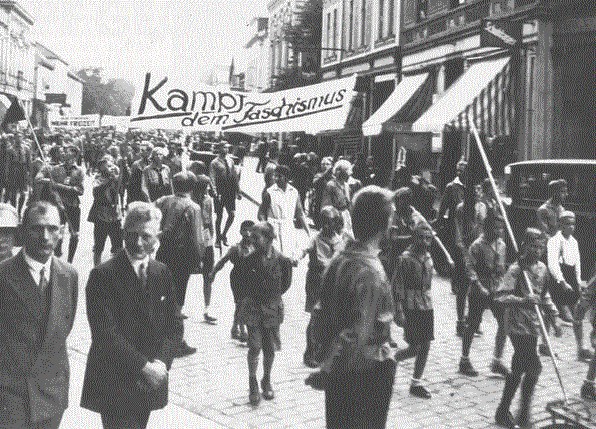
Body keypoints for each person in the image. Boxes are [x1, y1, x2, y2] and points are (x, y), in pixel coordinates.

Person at [81, 202, 182, 429]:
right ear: (123, 233)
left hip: (149, 382)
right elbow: (105, 334)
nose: (137, 242)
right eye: (131, 235)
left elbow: (174, 324)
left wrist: (161, 363)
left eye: (145, 236)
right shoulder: (103, 275)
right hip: (115, 382)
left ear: (158, 237)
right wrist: (146, 368)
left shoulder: (161, 272)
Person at [316, 186, 396, 428]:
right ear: (383, 225)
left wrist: (325, 363)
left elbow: (320, 314)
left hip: (342, 370)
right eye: (390, 217)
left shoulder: (341, 259)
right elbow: (357, 332)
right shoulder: (369, 271)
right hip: (365, 371)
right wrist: (329, 369)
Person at [0, 200, 78, 429]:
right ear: (23, 232)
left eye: (53, 228)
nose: (45, 236)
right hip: (11, 397)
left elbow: (63, 327)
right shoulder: (3, 275)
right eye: (37, 228)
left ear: (61, 232)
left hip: (51, 394)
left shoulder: (69, 274)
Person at [494, 228, 562, 429]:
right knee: (533, 366)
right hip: (516, 323)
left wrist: (555, 316)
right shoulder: (516, 270)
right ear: (524, 246)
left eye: (541, 246)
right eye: (533, 246)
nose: (537, 250)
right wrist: (523, 299)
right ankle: (520, 412)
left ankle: (508, 411)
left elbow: (544, 295)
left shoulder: (542, 268)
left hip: (533, 324)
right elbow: (499, 296)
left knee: (519, 367)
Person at [239, 221, 293, 406]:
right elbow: (242, 283)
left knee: (269, 348)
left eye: (257, 237)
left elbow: (285, 284)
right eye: (251, 237)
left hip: (272, 309)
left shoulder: (283, 261)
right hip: (254, 308)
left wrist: (272, 298)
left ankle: (266, 379)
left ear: (270, 239)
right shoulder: (248, 260)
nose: (252, 240)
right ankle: (252, 381)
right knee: (254, 346)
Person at [155, 171, 205, 355]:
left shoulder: (162, 201)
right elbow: (197, 237)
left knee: (161, 294)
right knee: (177, 299)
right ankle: (176, 341)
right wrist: (198, 259)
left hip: (162, 252)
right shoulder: (193, 207)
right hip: (181, 256)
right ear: (192, 187)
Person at [295, 206, 349, 368]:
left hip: (333, 283)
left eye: (330, 222)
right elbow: (303, 249)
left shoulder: (341, 240)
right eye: (324, 222)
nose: (326, 226)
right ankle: (309, 351)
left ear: (336, 223)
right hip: (316, 281)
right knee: (315, 316)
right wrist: (296, 257)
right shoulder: (315, 239)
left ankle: (326, 350)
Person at [458, 212, 509, 377]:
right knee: (472, 324)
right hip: (480, 289)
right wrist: (478, 285)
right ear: (487, 227)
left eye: (501, 228)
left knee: (504, 323)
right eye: (495, 227)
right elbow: (469, 268)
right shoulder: (477, 245)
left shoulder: (502, 245)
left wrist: (504, 285)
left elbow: (502, 269)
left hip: (497, 290)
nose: (499, 231)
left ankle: (497, 361)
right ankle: (464, 360)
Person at [393, 222, 436, 399]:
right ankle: (392, 360)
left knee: (426, 344)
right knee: (415, 347)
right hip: (411, 306)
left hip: (426, 304)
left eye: (428, 238)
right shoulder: (405, 259)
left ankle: (416, 382)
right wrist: (398, 309)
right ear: (414, 237)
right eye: (421, 237)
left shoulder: (427, 257)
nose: (425, 242)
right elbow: (397, 285)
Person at [209, 220, 255, 342]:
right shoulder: (235, 248)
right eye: (245, 230)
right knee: (240, 303)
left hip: (250, 279)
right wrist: (213, 273)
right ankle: (242, 330)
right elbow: (222, 261)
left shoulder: (255, 247)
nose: (248, 233)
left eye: (251, 230)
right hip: (237, 278)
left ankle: (235, 328)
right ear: (240, 231)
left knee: (243, 304)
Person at [258, 165, 310, 259]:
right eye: (275, 176)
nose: (276, 179)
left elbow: (300, 213)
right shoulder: (269, 192)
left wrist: (308, 231)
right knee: (273, 257)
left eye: (279, 176)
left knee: (288, 257)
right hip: (273, 228)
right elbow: (261, 213)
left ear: (286, 178)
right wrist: (265, 226)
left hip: (288, 227)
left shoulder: (294, 192)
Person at [44, 145, 84, 263]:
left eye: (70, 155)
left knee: (74, 235)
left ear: (74, 157)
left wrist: (61, 187)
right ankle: (56, 259)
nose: (66, 156)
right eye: (65, 154)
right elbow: (51, 188)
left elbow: (80, 190)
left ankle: (70, 261)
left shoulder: (79, 171)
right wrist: (57, 200)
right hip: (58, 206)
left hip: (73, 206)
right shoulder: (55, 169)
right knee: (57, 234)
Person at [547, 210, 583, 325]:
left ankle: (567, 311)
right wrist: (562, 282)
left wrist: (578, 281)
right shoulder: (554, 241)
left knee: (576, 313)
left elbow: (577, 263)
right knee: (568, 316)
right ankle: (559, 312)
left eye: (573, 224)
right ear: (560, 224)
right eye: (568, 224)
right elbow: (552, 264)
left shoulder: (574, 242)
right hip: (558, 279)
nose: (571, 227)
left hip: (570, 277)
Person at [190, 173, 217, 324]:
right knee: (184, 273)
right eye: (206, 186)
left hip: (206, 237)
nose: (208, 189)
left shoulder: (208, 200)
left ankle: (207, 308)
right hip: (192, 238)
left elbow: (210, 220)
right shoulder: (190, 200)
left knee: (208, 274)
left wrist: (211, 238)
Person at [87, 157, 123, 266]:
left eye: (110, 165)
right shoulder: (98, 177)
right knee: (98, 246)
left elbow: (121, 186)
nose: (109, 167)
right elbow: (97, 190)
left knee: (118, 246)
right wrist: (109, 180)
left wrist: (122, 169)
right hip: (101, 215)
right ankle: (96, 269)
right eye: (106, 165)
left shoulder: (115, 177)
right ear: (101, 167)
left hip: (114, 214)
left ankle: (118, 268)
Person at [209, 142, 239, 247]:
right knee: (219, 216)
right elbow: (212, 177)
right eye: (224, 147)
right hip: (220, 191)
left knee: (232, 214)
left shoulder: (230, 160)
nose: (226, 149)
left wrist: (238, 191)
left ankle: (224, 234)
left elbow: (234, 176)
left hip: (230, 191)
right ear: (220, 148)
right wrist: (214, 191)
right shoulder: (215, 162)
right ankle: (217, 238)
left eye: (227, 148)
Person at [321, 159, 353, 237]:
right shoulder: (331, 185)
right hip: (335, 216)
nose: (348, 174)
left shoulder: (346, 186)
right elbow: (326, 204)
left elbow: (348, 203)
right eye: (345, 171)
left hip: (345, 216)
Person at [4, 133, 32, 216]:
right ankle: (14, 212)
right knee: (13, 194)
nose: (19, 139)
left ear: (23, 138)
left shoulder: (26, 149)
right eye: (17, 137)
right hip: (14, 171)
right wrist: (6, 175)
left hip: (23, 171)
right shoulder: (10, 149)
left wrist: (29, 174)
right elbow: (7, 164)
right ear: (15, 138)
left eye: (20, 137)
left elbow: (29, 163)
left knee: (23, 194)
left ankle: (19, 211)